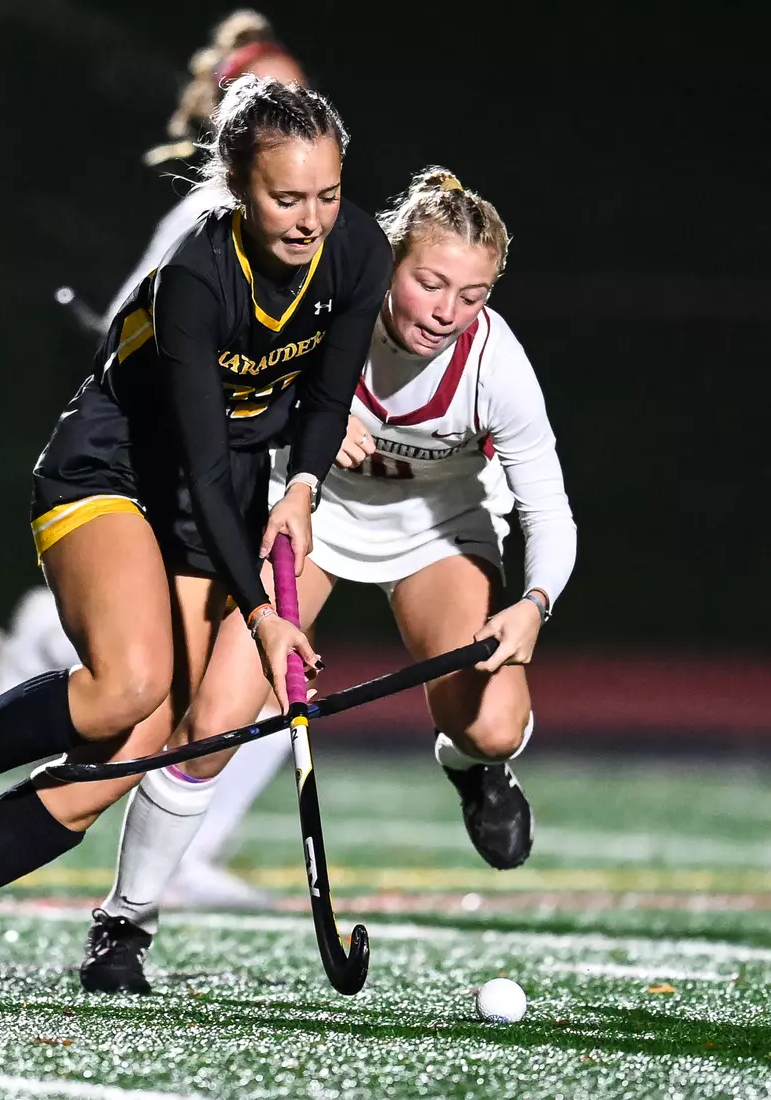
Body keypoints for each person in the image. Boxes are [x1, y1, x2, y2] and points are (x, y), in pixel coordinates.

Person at [0, 75, 392, 1002]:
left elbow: (329, 397)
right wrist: (265, 618)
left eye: (326, 194)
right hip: (112, 473)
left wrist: (304, 490)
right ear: (237, 188)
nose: (310, 219)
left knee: (135, 754)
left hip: (225, 492)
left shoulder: (357, 250)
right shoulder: (197, 280)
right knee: (128, 685)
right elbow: (202, 468)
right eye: (286, 198)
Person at [80, 166, 577, 994]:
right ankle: (124, 924)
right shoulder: (318, 306)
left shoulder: (498, 368)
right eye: (429, 283)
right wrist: (300, 412)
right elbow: (216, 393)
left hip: (436, 532)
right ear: (389, 264)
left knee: (491, 722)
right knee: (217, 719)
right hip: (303, 518)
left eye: (473, 293)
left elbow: (549, 512)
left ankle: (472, 768)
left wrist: (533, 604)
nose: (448, 311)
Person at [0, 7, 306, 911]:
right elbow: (137, 346)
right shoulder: (213, 215)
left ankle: (47, 649)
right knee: (183, 687)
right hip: (166, 479)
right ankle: (43, 651)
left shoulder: (294, 225)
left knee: (248, 687)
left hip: (218, 479)